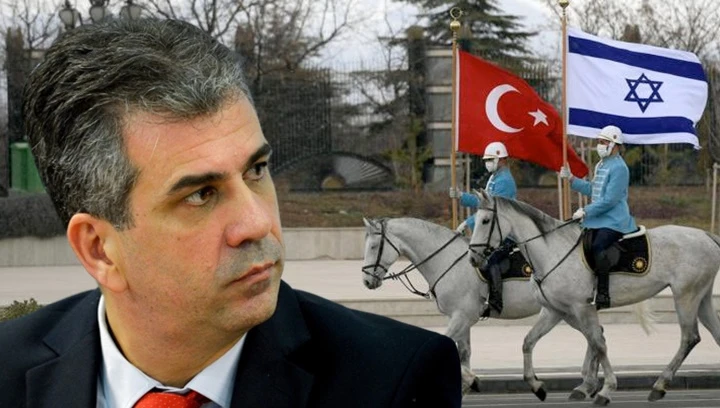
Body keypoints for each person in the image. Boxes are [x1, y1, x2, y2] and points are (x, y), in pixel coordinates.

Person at [0, 19, 462, 407]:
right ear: (100, 249)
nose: (257, 224)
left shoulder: (394, 380)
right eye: (201, 194)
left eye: (256, 170)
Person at [559, 125, 636, 310]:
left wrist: (586, 211)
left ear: (614, 145)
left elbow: (610, 200)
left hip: (614, 220)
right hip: (598, 219)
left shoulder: (620, 168)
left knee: (598, 245)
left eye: (603, 142)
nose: (599, 145)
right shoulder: (602, 164)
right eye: (599, 141)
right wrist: (571, 179)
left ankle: (603, 293)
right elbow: (594, 190)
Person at [450, 141, 517, 316]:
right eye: (486, 160)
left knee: (491, 260)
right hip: (494, 231)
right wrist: (461, 197)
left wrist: (468, 223)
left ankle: (495, 302)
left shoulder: (505, 181)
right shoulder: (495, 177)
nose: (487, 163)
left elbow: (491, 212)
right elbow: (483, 203)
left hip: (505, 233)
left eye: (490, 159)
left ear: (501, 159)